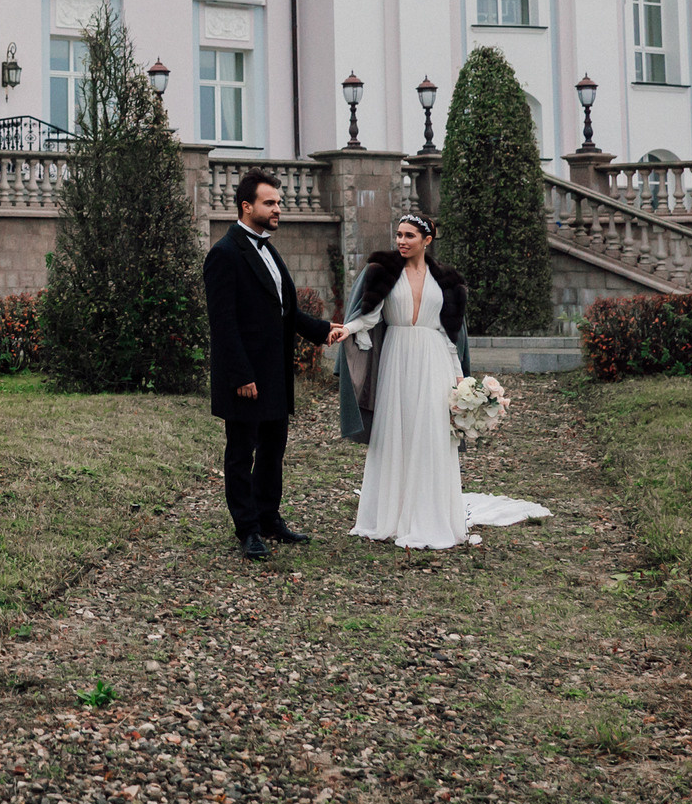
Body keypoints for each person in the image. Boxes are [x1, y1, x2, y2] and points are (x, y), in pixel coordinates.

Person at [329, 214, 550, 549]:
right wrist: (347, 330)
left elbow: (450, 335)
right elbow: (368, 315)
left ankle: (429, 517)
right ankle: (389, 515)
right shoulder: (384, 272)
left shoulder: (445, 280)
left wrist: (463, 380)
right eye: (399, 235)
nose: (401, 241)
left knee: (431, 434)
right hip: (397, 357)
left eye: (409, 236)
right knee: (396, 432)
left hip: (435, 360)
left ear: (426, 240)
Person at [204, 168, 333, 560]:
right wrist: (241, 374)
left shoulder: (269, 248)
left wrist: (324, 330)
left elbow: (285, 311)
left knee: (274, 449)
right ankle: (247, 529)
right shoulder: (224, 254)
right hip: (245, 375)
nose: (279, 208)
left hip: (275, 373)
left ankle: (268, 516)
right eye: (270, 202)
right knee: (241, 453)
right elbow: (223, 325)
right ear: (247, 206)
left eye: (279, 202)